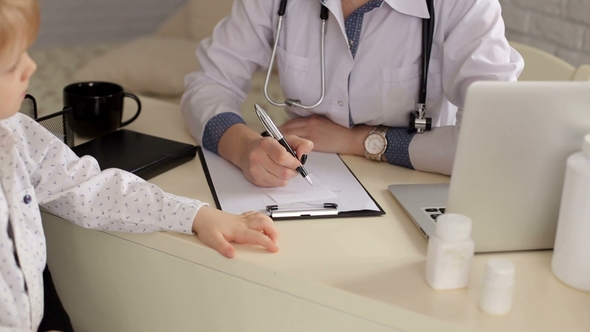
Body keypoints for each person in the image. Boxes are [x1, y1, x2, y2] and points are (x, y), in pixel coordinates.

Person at [0, 0, 279, 330]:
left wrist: (195, 215)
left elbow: (88, 187)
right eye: (13, 63)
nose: (31, 66)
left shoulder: (18, 133)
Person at [181, 0, 524, 187]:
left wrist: (361, 141)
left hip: (411, 185)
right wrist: (243, 146)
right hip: (295, 184)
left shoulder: (465, 5)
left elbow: (497, 138)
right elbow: (209, 82)